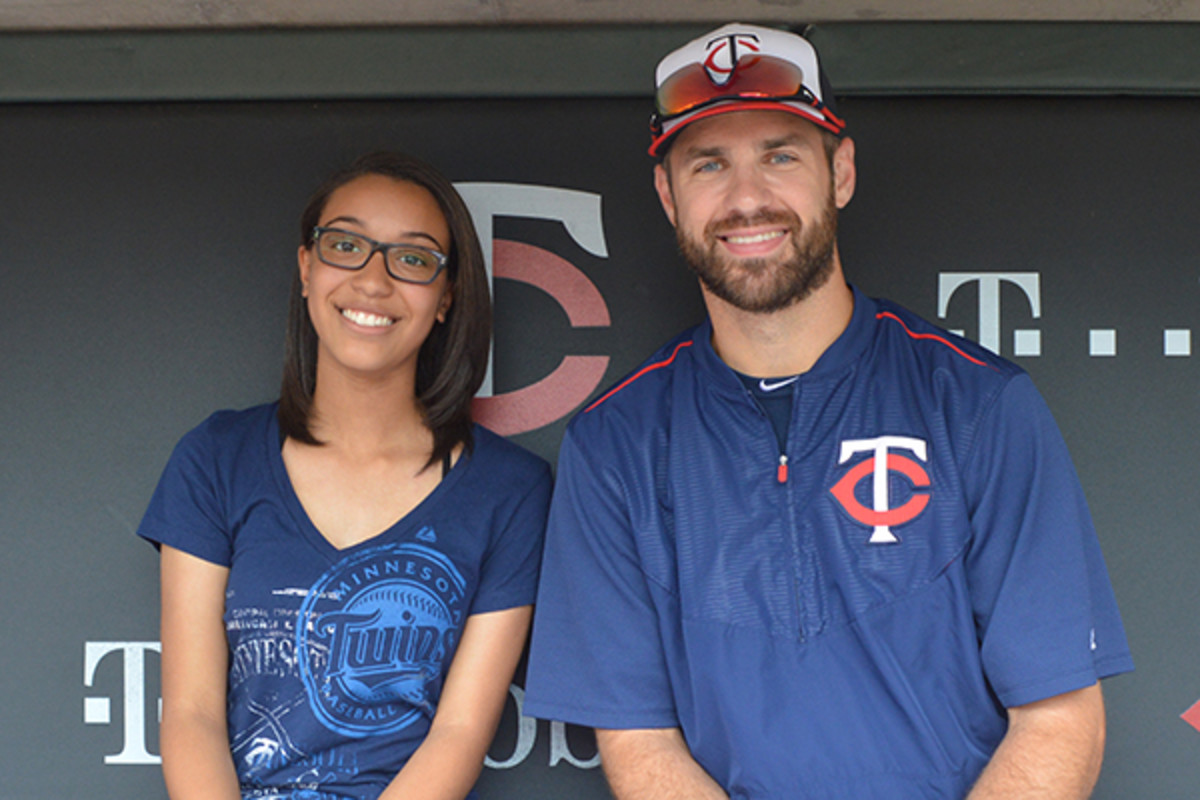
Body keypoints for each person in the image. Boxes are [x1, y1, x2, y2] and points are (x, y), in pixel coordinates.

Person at [524, 22, 1132, 799]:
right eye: (709, 164)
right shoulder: (618, 442)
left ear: (839, 172)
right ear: (668, 195)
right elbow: (640, 745)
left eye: (780, 155)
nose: (747, 199)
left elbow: (1058, 718)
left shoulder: (976, 403)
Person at [138, 151, 552, 800]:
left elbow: (461, 732)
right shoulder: (217, 458)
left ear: (446, 298)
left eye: (412, 258)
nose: (373, 279)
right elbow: (190, 715)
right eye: (346, 245)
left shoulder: (509, 491)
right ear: (306, 269)